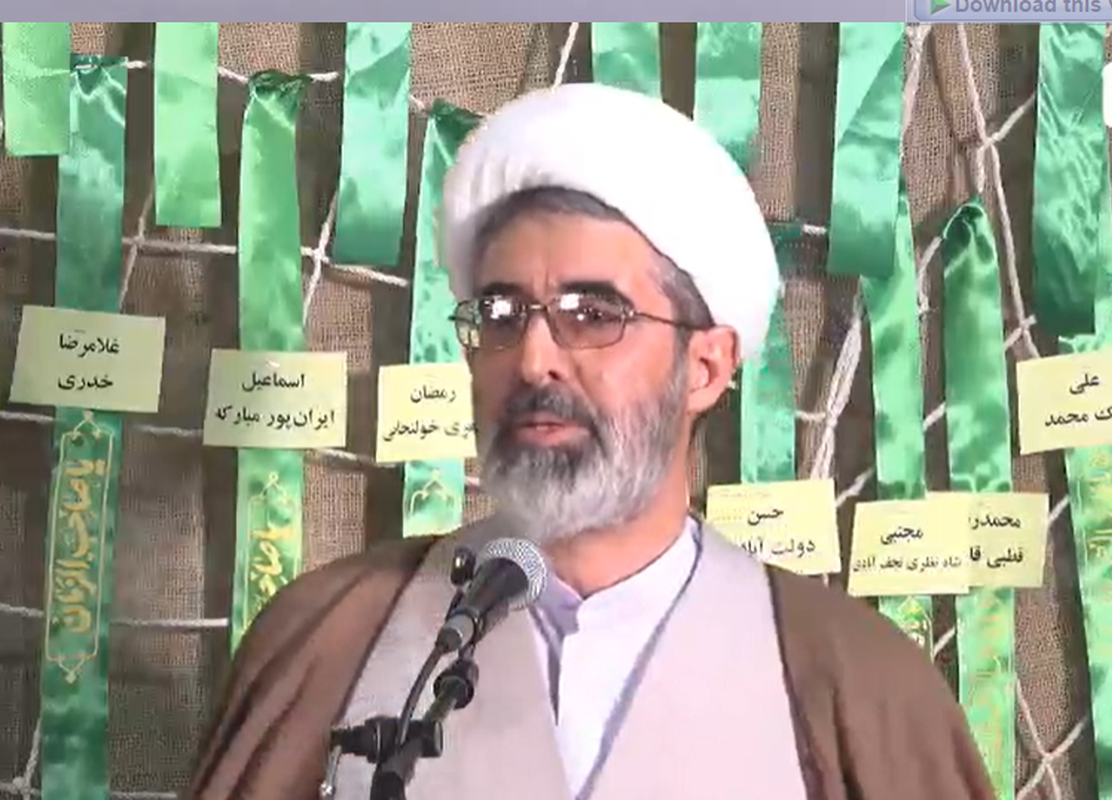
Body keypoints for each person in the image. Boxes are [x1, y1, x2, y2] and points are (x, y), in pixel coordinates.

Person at [186, 83, 995, 800]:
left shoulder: (857, 686)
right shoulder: (330, 640)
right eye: (501, 314)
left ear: (706, 368)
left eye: (594, 314)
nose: (533, 358)